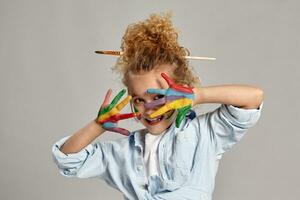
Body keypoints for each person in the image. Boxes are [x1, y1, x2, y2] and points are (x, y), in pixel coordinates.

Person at [52, 12, 264, 200]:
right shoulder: (123, 153)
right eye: (139, 100)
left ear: (181, 91)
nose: (150, 108)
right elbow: (68, 158)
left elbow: (253, 97)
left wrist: (198, 96)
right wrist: (97, 126)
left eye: (159, 97)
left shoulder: (204, 134)